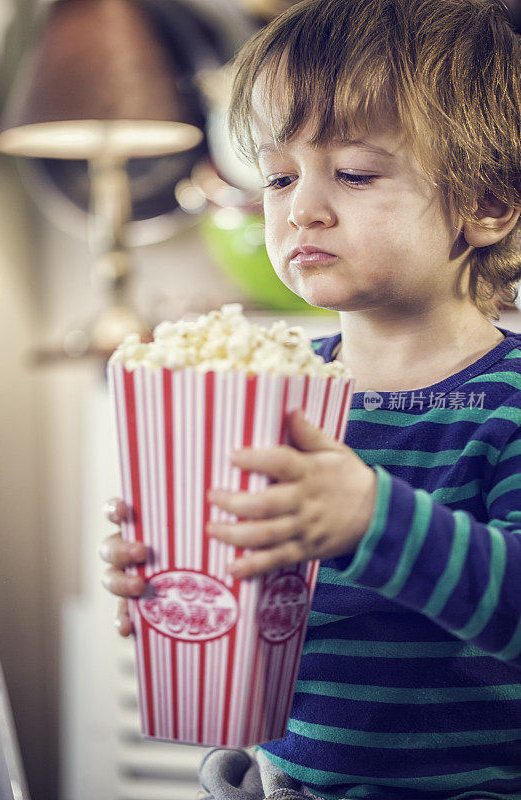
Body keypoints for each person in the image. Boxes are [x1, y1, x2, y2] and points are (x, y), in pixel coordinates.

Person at [100, 0, 521, 797]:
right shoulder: (270, 392)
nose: (300, 209)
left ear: (487, 204)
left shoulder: (506, 405)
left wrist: (373, 520)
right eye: (280, 176)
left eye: (355, 173)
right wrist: (172, 570)